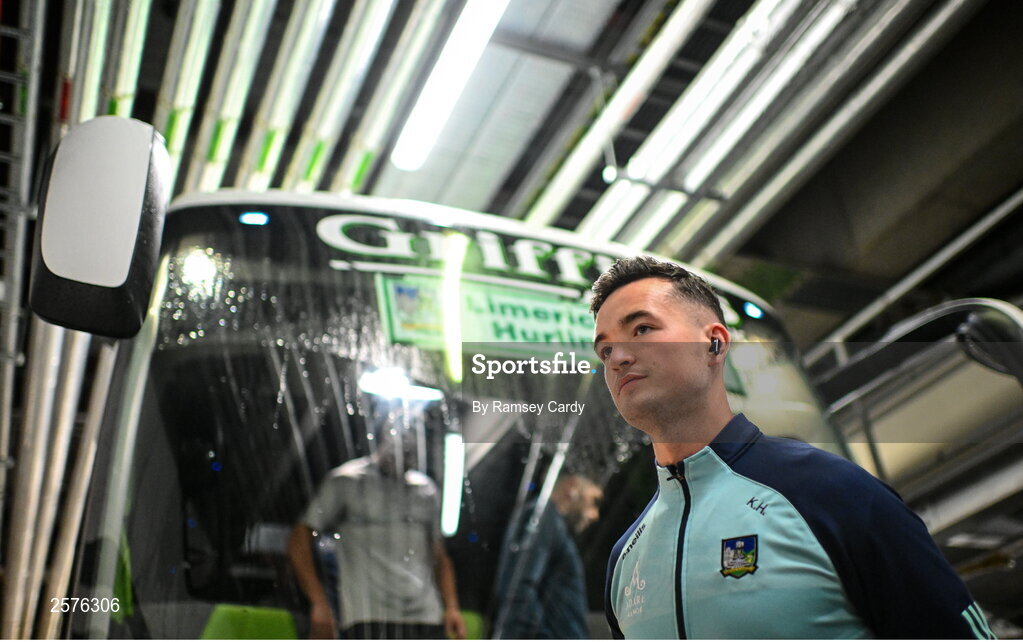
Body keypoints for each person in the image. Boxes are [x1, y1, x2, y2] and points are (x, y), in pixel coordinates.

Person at [590, 256, 996, 639]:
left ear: (714, 343)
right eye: (605, 350)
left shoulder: (834, 494)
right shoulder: (626, 561)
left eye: (642, 329)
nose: (618, 358)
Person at [288, 428, 466, 639]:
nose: (406, 453)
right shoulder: (347, 480)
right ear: (383, 439)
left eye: (412, 449)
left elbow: (440, 556)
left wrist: (452, 607)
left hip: (427, 619)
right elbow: (299, 539)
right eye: (401, 445)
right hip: (368, 617)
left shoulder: (426, 489)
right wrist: (319, 603)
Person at [492, 474, 603, 639]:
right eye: (594, 502)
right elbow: (519, 588)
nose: (595, 515)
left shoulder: (549, 521)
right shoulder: (543, 517)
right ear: (571, 486)